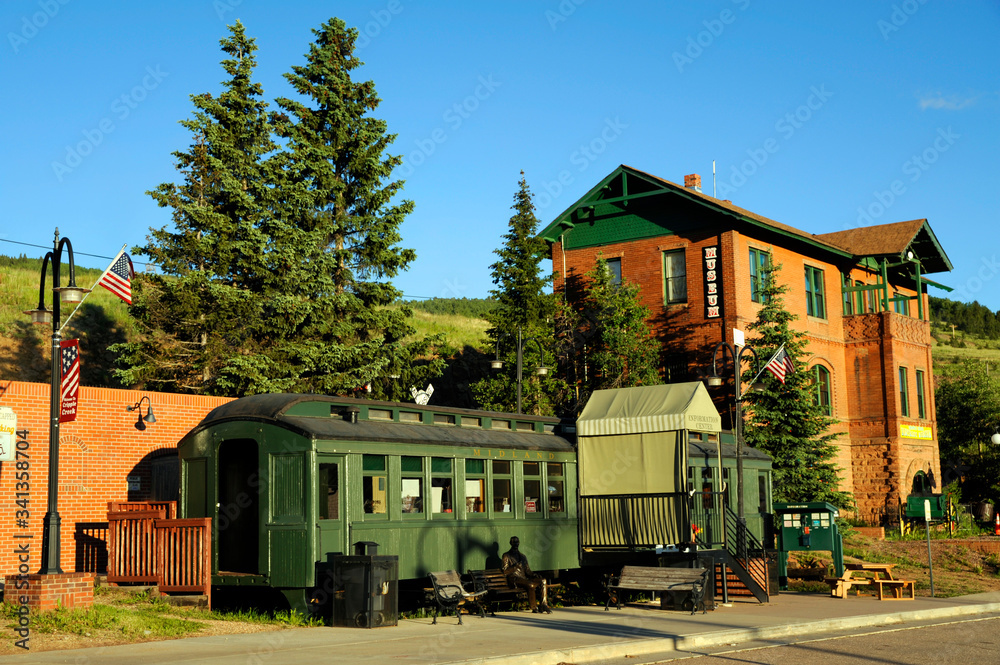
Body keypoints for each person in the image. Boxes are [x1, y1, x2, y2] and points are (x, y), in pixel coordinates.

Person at [501, 535, 551, 613]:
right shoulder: (506, 555)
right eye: (514, 542)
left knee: (543, 581)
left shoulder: (523, 556)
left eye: (517, 542)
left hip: (523, 579)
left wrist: (534, 575)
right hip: (514, 579)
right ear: (511, 543)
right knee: (530, 584)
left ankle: (543, 604)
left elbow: (528, 571)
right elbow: (504, 571)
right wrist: (515, 567)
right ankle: (534, 607)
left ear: (519, 543)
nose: (516, 544)